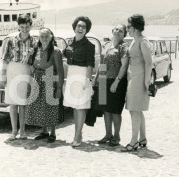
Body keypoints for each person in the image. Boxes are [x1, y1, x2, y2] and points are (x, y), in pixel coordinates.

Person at [25, 28, 64, 143]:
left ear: (51, 37)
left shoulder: (56, 51)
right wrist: (30, 61)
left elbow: (60, 70)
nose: (44, 38)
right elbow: (30, 63)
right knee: (41, 107)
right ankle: (44, 131)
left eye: (47, 36)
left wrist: (59, 87)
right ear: (39, 38)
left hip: (50, 78)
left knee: (51, 106)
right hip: (37, 80)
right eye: (42, 36)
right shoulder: (36, 49)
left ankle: (52, 133)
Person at [2, 14, 36, 141]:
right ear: (18, 27)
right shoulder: (11, 40)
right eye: (22, 27)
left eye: (27, 26)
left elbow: (34, 61)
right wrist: (3, 77)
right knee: (13, 103)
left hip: (25, 70)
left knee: (22, 103)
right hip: (12, 70)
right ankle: (13, 131)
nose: (25, 29)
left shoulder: (34, 41)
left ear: (30, 26)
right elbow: (5, 60)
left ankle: (22, 131)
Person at [121, 14, 152, 152]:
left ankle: (134, 141)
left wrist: (146, 81)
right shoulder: (135, 40)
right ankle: (142, 138)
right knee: (136, 109)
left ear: (135, 27)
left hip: (139, 79)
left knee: (134, 110)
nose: (127, 29)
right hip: (133, 78)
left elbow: (149, 62)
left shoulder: (143, 41)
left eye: (129, 26)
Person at [63, 16, 95, 147]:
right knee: (75, 108)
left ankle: (77, 136)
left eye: (84, 27)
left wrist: (87, 81)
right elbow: (65, 55)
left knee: (81, 107)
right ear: (74, 27)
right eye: (79, 26)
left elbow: (90, 65)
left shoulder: (90, 46)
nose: (81, 28)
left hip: (82, 76)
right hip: (72, 75)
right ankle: (78, 134)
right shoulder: (70, 43)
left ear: (86, 30)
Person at [96, 25, 129, 146]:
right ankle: (108, 134)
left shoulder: (123, 47)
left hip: (117, 82)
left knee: (115, 110)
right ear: (112, 31)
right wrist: (97, 78)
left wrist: (117, 81)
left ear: (124, 34)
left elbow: (124, 66)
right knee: (106, 110)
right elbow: (102, 63)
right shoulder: (106, 45)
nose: (118, 32)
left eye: (121, 31)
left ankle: (116, 136)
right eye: (116, 29)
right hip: (104, 80)